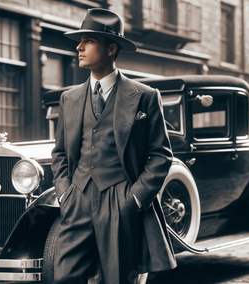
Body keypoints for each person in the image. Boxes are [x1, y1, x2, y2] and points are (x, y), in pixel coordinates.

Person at [51, 8, 177, 284]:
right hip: (78, 198)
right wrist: (64, 194)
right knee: (62, 277)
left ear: (111, 49)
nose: (80, 47)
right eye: (80, 40)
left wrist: (134, 199)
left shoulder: (145, 96)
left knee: (118, 279)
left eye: (89, 41)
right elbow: (60, 153)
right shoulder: (69, 99)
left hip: (120, 199)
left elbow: (160, 156)